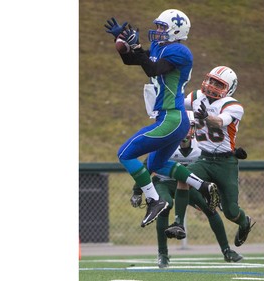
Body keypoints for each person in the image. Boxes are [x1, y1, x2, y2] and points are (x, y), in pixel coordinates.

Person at [104, 9, 219, 228]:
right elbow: (134, 61)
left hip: (172, 118)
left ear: (176, 30)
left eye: (162, 27)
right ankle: (202, 186)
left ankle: (154, 200)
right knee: (157, 163)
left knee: (125, 154)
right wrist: (122, 44)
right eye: (157, 26)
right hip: (170, 119)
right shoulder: (161, 47)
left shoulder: (180, 51)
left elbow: (154, 68)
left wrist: (136, 47)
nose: (157, 30)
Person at [130, 112, 245, 268]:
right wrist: (137, 191)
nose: (186, 131)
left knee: (210, 209)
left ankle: (226, 251)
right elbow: (147, 166)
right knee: (165, 204)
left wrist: (232, 152)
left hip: (187, 185)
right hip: (164, 183)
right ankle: (162, 254)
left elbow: (214, 162)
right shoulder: (166, 143)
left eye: (189, 127)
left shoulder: (202, 145)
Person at [166, 66, 255, 247]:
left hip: (226, 163)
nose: (211, 85)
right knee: (183, 178)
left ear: (229, 88)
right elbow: (176, 105)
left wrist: (206, 117)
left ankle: (245, 222)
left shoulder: (233, 105)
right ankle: (178, 224)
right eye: (211, 80)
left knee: (231, 212)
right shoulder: (197, 96)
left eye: (218, 83)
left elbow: (220, 121)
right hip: (205, 159)